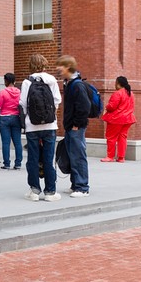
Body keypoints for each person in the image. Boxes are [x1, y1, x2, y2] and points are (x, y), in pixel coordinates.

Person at [20, 54, 62, 202]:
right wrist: (51, 114)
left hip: (32, 126)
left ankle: (35, 191)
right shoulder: (51, 80)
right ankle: (50, 192)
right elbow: (57, 100)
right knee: (49, 158)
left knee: (32, 158)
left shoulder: (27, 82)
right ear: (44, 64)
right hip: (50, 125)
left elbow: (23, 103)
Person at [56, 55, 90, 197]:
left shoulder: (77, 85)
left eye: (60, 66)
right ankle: (75, 184)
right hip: (71, 126)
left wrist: (76, 124)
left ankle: (82, 187)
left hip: (76, 127)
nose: (58, 69)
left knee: (78, 156)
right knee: (72, 156)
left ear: (68, 67)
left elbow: (84, 107)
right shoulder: (69, 83)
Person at [101, 76, 135, 162]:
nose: (114, 84)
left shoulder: (117, 93)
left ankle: (110, 156)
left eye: (115, 83)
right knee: (122, 137)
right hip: (128, 118)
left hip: (116, 118)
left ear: (118, 83)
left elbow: (112, 106)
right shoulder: (130, 93)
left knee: (111, 137)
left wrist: (106, 107)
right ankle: (121, 157)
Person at [0, 72, 23, 170]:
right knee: (17, 142)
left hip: (4, 118)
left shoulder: (3, 92)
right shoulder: (19, 92)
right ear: (14, 81)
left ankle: (7, 164)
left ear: (6, 81)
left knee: (6, 142)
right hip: (16, 118)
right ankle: (18, 163)